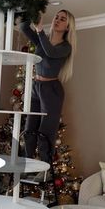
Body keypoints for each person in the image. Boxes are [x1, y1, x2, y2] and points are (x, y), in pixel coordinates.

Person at [19, 10, 76, 178]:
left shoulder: (66, 47)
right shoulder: (41, 40)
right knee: (30, 128)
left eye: (62, 19)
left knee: (45, 132)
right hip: (36, 87)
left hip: (52, 89)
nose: (57, 20)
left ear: (67, 27)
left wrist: (39, 29)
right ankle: (27, 166)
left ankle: (45, 169)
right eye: (56, 17)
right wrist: (31, 9)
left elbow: (50, 52)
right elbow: (23, 27)